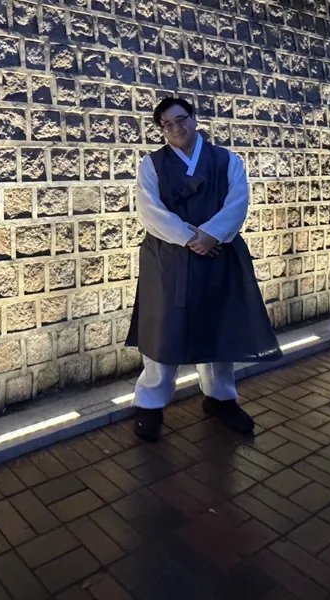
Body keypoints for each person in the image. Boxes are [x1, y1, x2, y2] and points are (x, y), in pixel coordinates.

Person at [126, 96, 281, 442]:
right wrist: (188, 238)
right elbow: (149, 211)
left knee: (217, 327)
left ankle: (220, 397)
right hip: (167, 258)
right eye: (167, 124)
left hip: (218, 252)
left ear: (195, 119)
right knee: (163, 331)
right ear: (162, 131)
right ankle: (150, 403)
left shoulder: (226, 160)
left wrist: (211, 234)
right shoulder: (150, 166)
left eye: (181, 119)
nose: (175, 128)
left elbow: (238, 200)